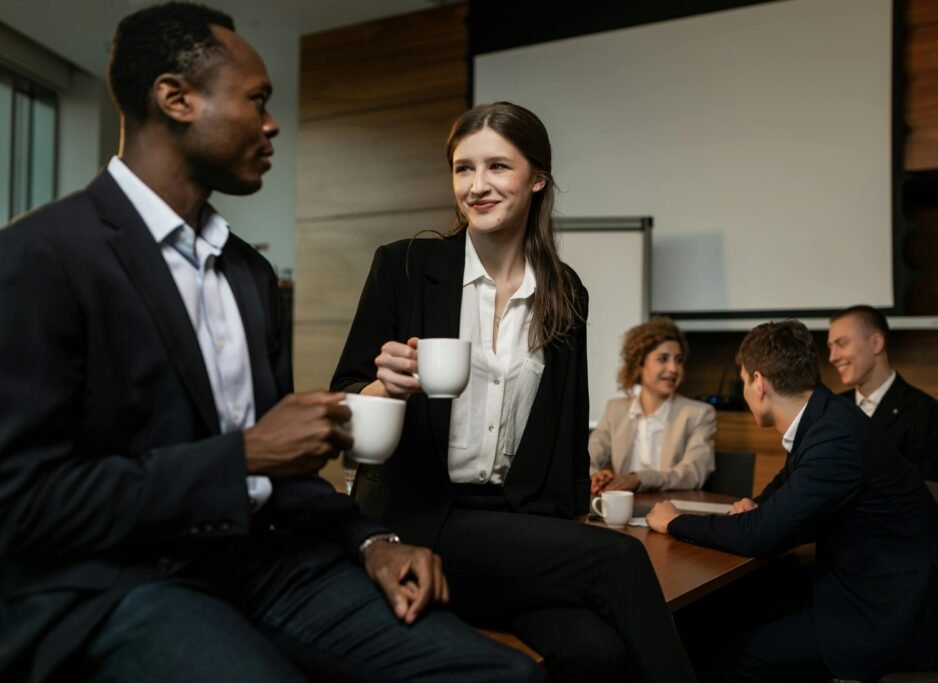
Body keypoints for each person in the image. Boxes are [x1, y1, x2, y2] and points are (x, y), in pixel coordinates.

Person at [0, 5, 539, 682]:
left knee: (507, 675)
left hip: (266, 563)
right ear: (176, 98)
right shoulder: (40, 256)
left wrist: (371, 540)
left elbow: (284, 476)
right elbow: (21, 502)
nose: (272, 122)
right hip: (117, 584)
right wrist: (244, 454)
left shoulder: (250, 276)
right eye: (257, 100)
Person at [332, 102, 694, 683]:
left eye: (497, 167)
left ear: (537, 178)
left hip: (514, 530)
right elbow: (343, 403)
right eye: (462, 169)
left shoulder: (564, 291)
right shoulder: (403, 265)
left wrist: (564, 531)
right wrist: (385, 384)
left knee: (598, 653)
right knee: (620, 559)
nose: (477, 186)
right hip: (419, 520)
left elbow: (565, 430)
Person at [646, 320, 938, 682]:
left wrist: (673, 520)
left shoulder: (834, 437)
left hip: (893, 615)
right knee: (717, 617)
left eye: (743, 380)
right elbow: (783, 487)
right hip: (863, 586)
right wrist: (757, 507)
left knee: (729, 655)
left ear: (758, 382)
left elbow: (759, 535)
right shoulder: (825, 417)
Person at [827, 304, 938, 482]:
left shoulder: (928, 414)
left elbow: (923, 495)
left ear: (876, 343)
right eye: (830, 347)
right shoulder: (830, 409)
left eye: (841, 344)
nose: (832, 357)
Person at [590, 317, 716, 494]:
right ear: (639, 364)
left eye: (679, 360)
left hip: (673, 511)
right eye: (663, 359)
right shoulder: (615, 409)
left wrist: (639, 479)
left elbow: (693, 473)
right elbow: (587, 458)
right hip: (621, 510)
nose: (673, 368)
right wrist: (595, 476)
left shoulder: (699, 413)